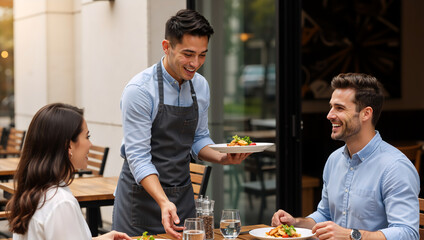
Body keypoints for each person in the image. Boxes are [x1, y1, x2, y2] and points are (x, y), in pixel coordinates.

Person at [112, 9, 250, 238]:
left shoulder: (201, 86)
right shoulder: (139, 92)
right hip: (141, 201)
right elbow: (138, 157)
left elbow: (199, 138)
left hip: (182, 197)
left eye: (202, 55)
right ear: (167, 47)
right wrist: (163, 202)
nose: (195, 63)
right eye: (188, 54)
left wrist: (223, 156)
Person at [271, 73, 420, 240]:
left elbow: (408, 233)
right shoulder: (334, 160)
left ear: (366, 114)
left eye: (339, 108)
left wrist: (352, 235)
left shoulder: (395, 167)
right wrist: (296, 223)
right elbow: (325, 215)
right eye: (331, 107)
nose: (329, 115)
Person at [6, 103, 132, 240]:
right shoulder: (61, 203)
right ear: (69, 146)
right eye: (87, 137)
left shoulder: (35, 192)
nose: (90, 144)